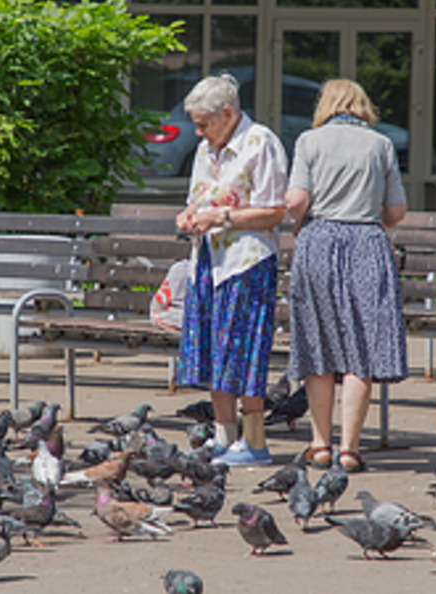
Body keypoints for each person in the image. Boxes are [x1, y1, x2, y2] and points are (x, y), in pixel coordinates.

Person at [285, 79, 409, 472]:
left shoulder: (309, 141)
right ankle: (350, 450)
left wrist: (299, 217)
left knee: (318, 344)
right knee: (361, 351)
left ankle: (320, 446)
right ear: (362, 106)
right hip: (367, 244)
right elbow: (396, 213)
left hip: (319, 241)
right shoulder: (381, 144)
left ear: (326, 105)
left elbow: (296, 200)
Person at [174, 74, 288, 466]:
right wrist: (188, 216)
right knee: (213, 351)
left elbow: (275, 211)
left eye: (204, 122)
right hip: (208, 260)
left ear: (228, 113)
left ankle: (255, 444)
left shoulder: (261, 143)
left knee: (243, 353)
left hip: (247, 262)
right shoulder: (208, 149)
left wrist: (222, 216)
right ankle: (224, 439)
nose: (198, 130)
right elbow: (196, 199)